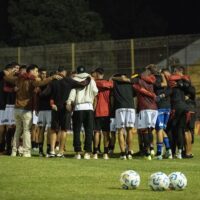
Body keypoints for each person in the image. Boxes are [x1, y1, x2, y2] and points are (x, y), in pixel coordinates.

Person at [4, 64, 62, 157]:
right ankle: (26, 151)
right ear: (31, 71)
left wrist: (13, 72)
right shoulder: (31, 80)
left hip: (17, 108)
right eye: (36, 71)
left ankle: (14, 151)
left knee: (18, 130)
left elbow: (6, 78)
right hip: (26, 109)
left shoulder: (18, 78)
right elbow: (41, 83)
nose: (37, 73)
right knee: (27, 130)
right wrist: (52, 77)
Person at [49, 66, 91, 157]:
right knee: (63, 130)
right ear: (65, 72)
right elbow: (82, 84)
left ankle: (52, 150)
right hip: (65, 108)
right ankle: (60, 151)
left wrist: (52, 103)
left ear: (57, 72)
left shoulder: (53, 81)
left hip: (55, 107)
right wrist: (88, 78)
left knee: (54, 129)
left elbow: (46, 94)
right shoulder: (69, 81)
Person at [67, 66, 98, 160]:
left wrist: (69, 102)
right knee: (89, 131)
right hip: (89, 107)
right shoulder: (90, 79)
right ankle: (87, 152)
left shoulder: (74, 80)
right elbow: (96, 91)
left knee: (76, 131)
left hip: (78, 108)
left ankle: (77, 152)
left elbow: (72, 94)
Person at [112, 73, 136, 160]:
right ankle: (129, 152)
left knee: (120, 131)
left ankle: (123, 153)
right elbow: (134, 94)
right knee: (129, 130)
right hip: (130, 106)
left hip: (120, 107)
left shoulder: (115, 83)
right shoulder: (131, 83)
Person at [93, 67, 113, 159]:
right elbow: (108, 84)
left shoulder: (95, 83)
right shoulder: (108, 83)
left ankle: (95, 153)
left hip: (97, 111)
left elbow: (102, 83)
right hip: (106, 111)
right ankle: (105, 153)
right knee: (106, 133)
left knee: (97, 132)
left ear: (96, 74)